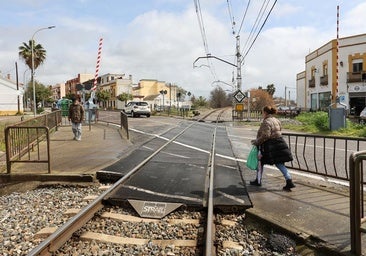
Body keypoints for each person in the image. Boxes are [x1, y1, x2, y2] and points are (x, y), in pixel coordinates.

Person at [250, 106, 296, 191]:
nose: (262, 114)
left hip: (270, 146)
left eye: (262, 112)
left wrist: (256, 142)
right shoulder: (276, 120)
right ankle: (289, 180)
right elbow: (279, 131)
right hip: (280, 143)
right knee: (279, 163)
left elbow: (265, 135)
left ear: (265, 112)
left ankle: (258, 181)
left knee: (261, 162)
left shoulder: (266, 122)